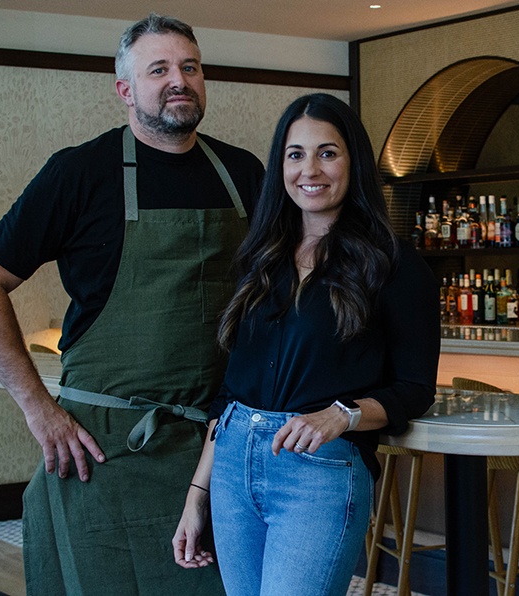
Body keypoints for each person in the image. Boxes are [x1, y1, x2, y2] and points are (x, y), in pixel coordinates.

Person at [0, 14, 263, 595]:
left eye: (190, 67)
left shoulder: (242, 172)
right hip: (104, 451)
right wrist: (38, 409)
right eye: (160, 69)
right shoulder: (80, 172)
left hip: (215, 448)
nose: (180, 80)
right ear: (125, 90)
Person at [171, 93, 440, 594]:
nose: (309, 169)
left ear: (352, 161)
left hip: (317, 473)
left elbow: (415, 387)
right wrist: (197, 495)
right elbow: (230, 391)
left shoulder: (395, 265)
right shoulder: (260, 256)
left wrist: (343, 414)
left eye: (327, 152)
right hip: (232, 463)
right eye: (295, 154)